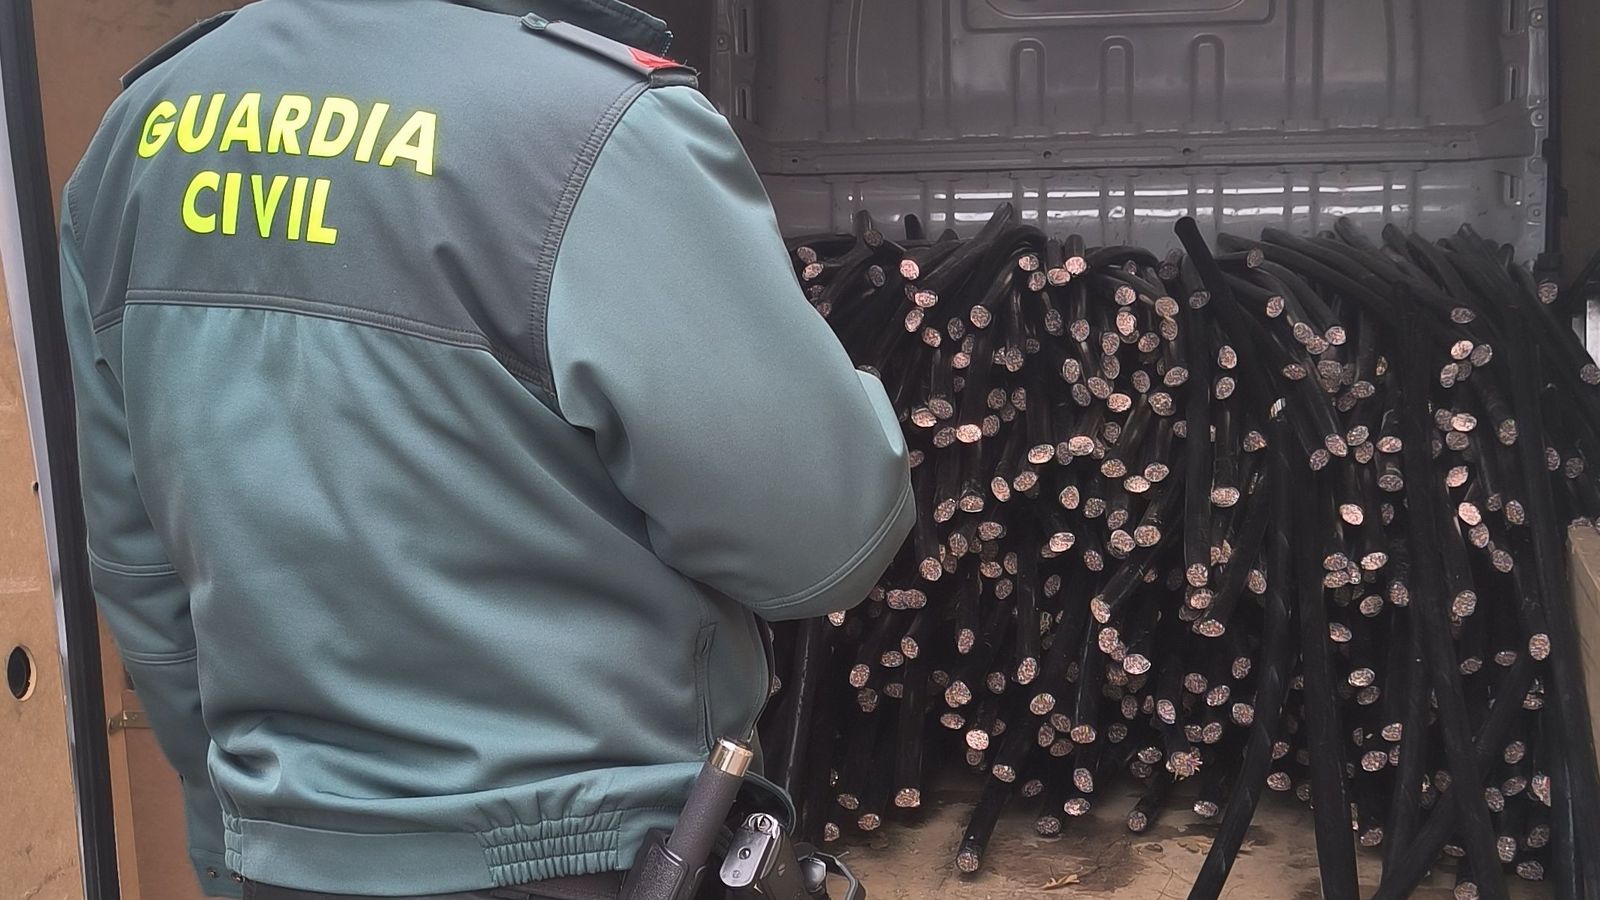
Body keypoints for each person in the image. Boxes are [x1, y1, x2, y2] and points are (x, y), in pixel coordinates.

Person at [59, 1, 914, 897]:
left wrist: (259, 826)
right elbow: (822, 544)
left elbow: (138, 570)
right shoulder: (595, 131)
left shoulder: (136, 137)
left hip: (289, 858)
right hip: (590, 853)